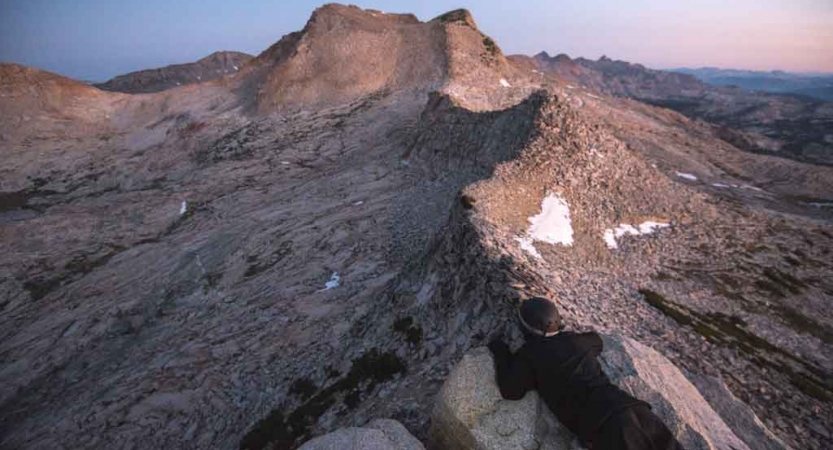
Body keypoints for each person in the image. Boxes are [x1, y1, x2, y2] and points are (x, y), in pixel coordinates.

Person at [488, 297, 684, 450]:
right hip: (633, 408)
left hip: (606, 425)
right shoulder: (576, 341)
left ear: (524, 328)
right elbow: (598, 341)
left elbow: (510, 391)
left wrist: (501, 351)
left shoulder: (529, 355)